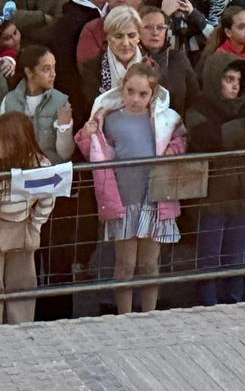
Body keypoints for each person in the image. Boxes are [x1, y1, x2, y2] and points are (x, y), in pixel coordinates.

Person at [76, 62, 186, 315]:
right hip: (123, 201)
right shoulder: (110, 120)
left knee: (149, 264)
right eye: (130, 91)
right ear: (122, 89)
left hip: (154, 201)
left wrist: (172, 149)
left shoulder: (163, 120)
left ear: (153, 94)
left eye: (143, 93)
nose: (135, 98)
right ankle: (124, 317)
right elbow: (95, 153)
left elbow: (181, 139)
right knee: (125, 264)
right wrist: (86, 133)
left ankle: (149, 314)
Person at [185, 50, 245, 306]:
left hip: (242, 195)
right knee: (209, 258)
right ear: (215, 78)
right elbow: (206, 140)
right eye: (228, 78)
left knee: (236, 257)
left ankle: (235, 304)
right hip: (212, 198)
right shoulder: (199, 108)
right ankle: (208, 306)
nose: (234, 85)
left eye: (238, 79)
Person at [0, 111, 58, 327]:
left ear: (14, 141)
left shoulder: (40, 166)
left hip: (24, 224)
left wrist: (36, 225)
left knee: (22, 279)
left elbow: (47, 198)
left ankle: (21, 325)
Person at [0, 43, 76, 160]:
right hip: (20, 172)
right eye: (46, 69)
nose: (53, 74)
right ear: (29, 72)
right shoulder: (9, 101)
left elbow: (65, 154)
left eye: (53, 67)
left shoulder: (61, 101)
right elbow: (3, 145)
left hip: (52, 173)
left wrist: (64, 128)